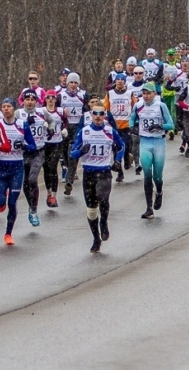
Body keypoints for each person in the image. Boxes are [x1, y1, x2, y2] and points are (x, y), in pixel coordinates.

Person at [69, 105, 126, 253]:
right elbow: (73, 153)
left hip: (104, 171)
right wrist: (81, 151)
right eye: (95, 113)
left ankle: (104, 223)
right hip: (88, 173)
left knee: (103, 197)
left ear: (105, 115)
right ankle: (96, 238)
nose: (98, 116)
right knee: (91, 210)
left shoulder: (109, 131)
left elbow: (121, 146)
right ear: (91, 115)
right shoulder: (84, 132)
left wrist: (118, 160)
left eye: (101, 113)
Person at [0, 97, 37, 246]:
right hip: (0, 166)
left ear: (14, 109)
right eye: (3, 106)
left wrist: (24, 146)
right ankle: (1, 198)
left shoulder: (22, 125)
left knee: (12, 203)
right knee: (0, 203)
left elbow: (33, 146)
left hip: (16, 167)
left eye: (9, 106)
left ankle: (8, 233)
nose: (6, 109)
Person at [129, 82, 173, 218]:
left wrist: (159, 126)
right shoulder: (138, 105)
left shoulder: (161, 106)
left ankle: (159, 191)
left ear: (154, 93)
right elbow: (132, 118)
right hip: (145, 142)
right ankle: (149, 208)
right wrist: (132, 127)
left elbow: (171, 124)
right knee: (147, 174)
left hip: (159, 142)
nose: (146, 96)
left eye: (149, 93)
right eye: (144, 93)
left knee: (157, 176)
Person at [60, 72, 90, 193]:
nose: (73, 85)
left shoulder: (83, 95)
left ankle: (69, 180)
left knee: (72, 151)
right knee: (64, 152)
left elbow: (87, 109)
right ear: (67, 83)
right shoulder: (61, 95)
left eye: (75, 83)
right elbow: (55, 110)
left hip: (78, 126)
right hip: (65, 127)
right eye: (71, 82)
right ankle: (68, 169)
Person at [104, 73, 136, 182]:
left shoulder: (129, 93)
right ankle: (120, 172)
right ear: (115, 81)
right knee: (115, 149)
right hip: (114, 126)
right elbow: (106, 110)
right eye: (118, 79)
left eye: (122, 79)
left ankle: (127, 158)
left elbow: (135, 107)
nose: (120, 81)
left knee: (125, 146)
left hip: (126, 125)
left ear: (125, 81)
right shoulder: (110, 94)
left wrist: (134, 120)